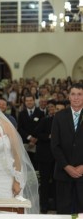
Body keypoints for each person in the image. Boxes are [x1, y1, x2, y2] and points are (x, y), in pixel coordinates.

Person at [51, 83, 83, 214]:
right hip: (63, 173)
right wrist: (66, 166)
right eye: (73, 94)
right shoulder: (59, 116)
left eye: (80, 94)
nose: (76, 97)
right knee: (64, 212)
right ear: (69, 97)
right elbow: (54, 145)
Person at [35, 100, 61, 213]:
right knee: (44, 182)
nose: (51, 109)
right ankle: (43, 206)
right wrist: (49, 136)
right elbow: (37, 133)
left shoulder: (61, 121)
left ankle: (55, 204)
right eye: (49, 107)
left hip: (57, 158)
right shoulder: (44, 120)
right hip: (44, 157)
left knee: (56, 183)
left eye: (53, 107)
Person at [18, 93, 44, 170]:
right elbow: (20, 128)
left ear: (34, 101)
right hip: (25, 143)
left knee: (36, 166)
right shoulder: (21, 114)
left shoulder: (40, 113)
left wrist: (34, 139)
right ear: (25, 102)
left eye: (31, 100)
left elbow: (42, 128)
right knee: (25, 166)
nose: (29, 102)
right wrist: (29, 137)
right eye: (27, 101)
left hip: (37, 143)